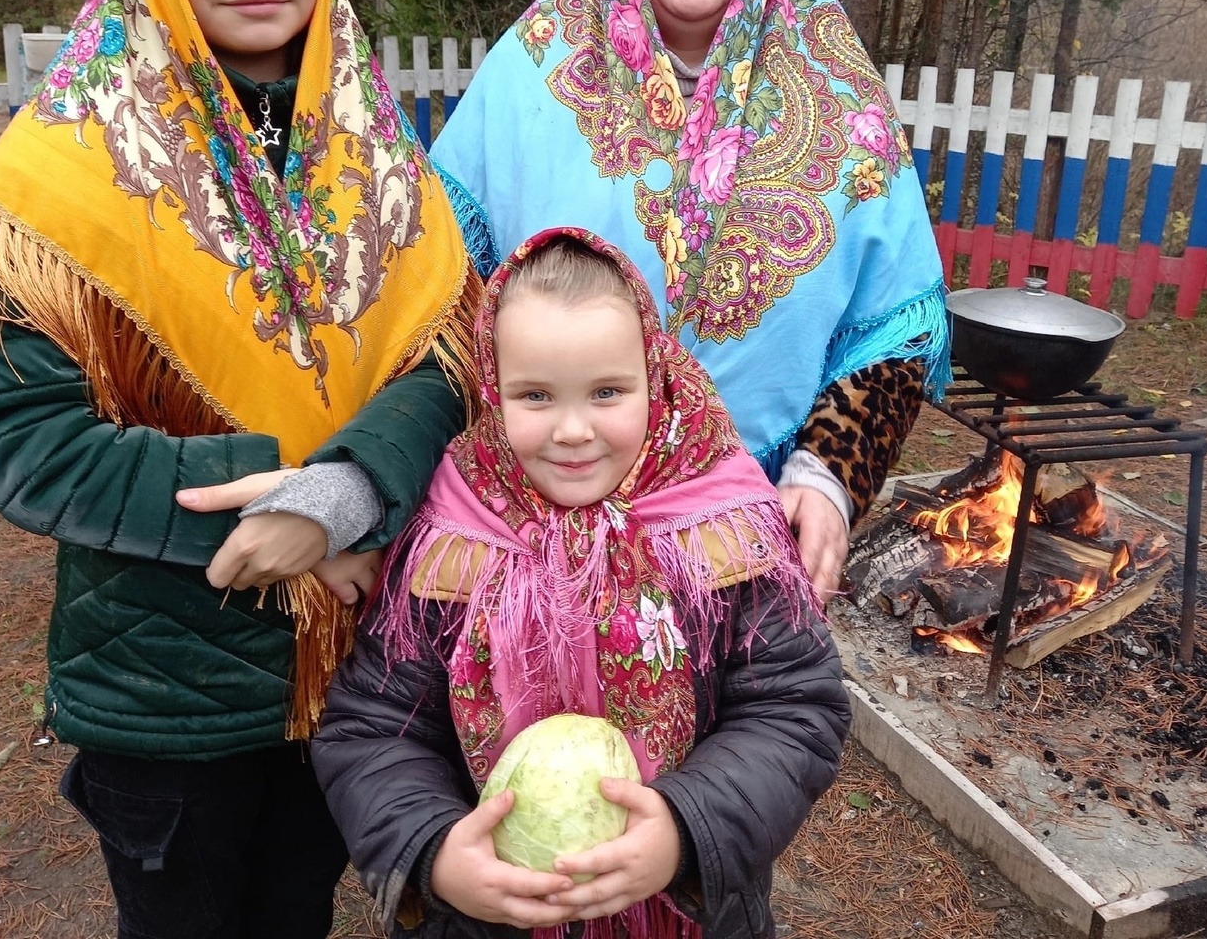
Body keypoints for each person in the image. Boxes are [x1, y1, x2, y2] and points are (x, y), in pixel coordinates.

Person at [0, 0, 479, 939]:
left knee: (300, 908)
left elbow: (450, 364)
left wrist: (344, 493)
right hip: (166, 694)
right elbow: (29, 447)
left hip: (353, 673)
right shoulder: (51, 181)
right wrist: (272, 517)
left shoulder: (377, 156)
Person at [431, 0, 949, 604]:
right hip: (533, 528)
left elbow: (892, 328)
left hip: (740, 545)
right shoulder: (529, 74)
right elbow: (439, 296)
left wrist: (827, 475)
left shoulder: (844, 101)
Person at [313, 227, 850, 939]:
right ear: (491, 390)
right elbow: (373, 727)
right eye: (535, 395)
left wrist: (685, 830)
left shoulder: (725, 531)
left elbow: (795, 708)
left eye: (606, 392)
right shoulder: (449, 537)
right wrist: (436, 853)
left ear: (654, 380)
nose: (572, 430)